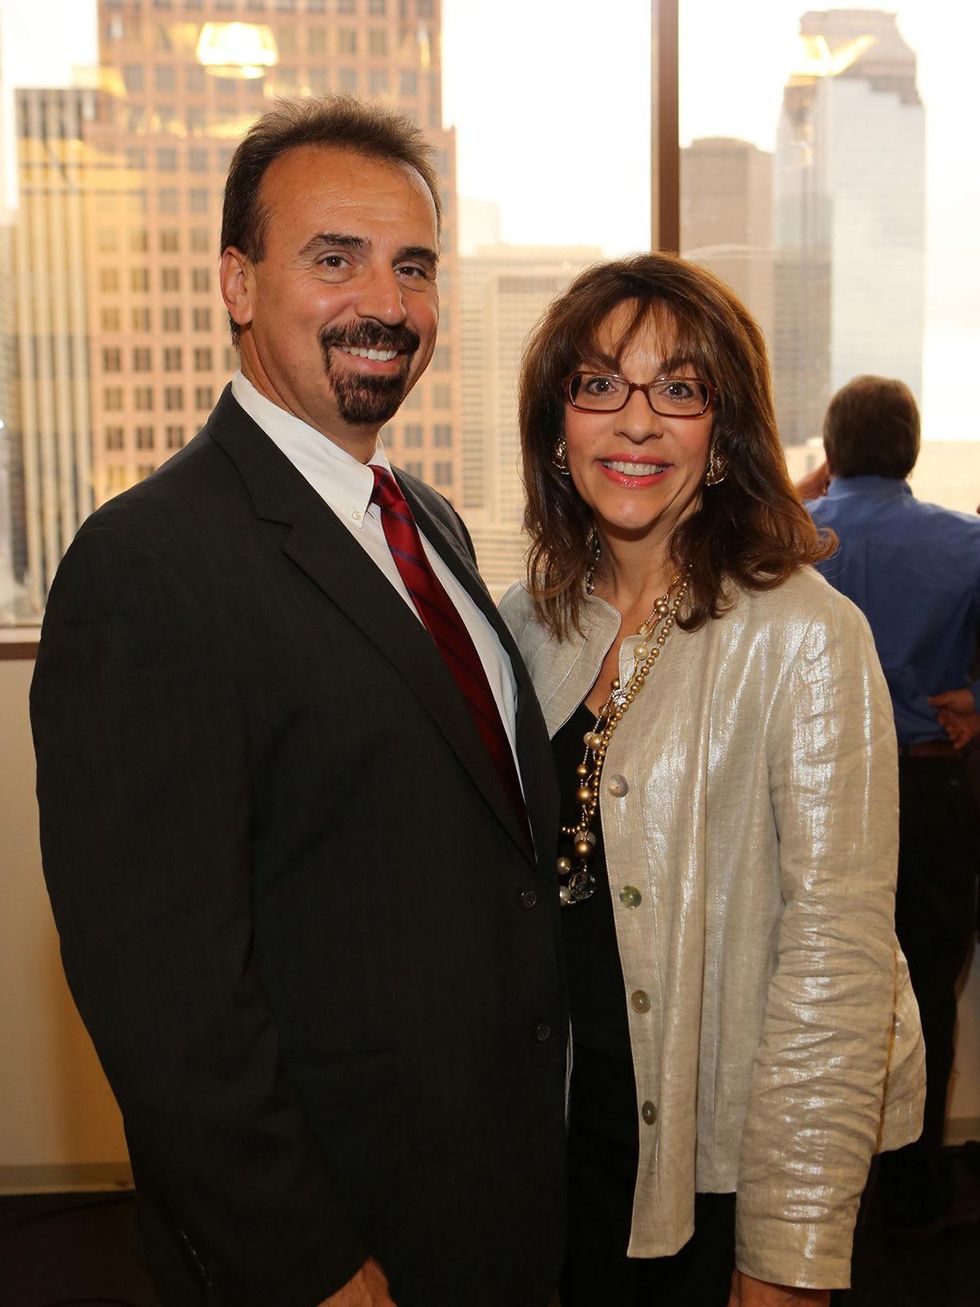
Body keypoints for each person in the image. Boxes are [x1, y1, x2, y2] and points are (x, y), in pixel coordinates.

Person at [31, 97, 566, 1307]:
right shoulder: (149, 564)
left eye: (412, 265)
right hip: (337, 1248)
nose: (384, 301)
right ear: (236, 280)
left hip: (495, 1209)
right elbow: (166, 992)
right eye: (335, 259)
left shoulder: (425, 521)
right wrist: (309, 1262)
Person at [500, 254, 924, 1307]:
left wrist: (786, 1253)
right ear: (558, 424)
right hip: (559, 1153)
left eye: (678, 390)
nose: (635, 421)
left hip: (725, 1171)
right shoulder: (523, 623)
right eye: (597, 383)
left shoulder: (806, 636)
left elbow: (835, 967)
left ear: (722, 435)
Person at [805, 374, 980, 1235]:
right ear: (911, 450)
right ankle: (912, 1193)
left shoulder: (785, 538)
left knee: (810, 982)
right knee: (928, 987)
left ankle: (812, 1184)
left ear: (829, 452)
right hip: (930, 784)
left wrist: (808, 487)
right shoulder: (968, 542)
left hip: (813, 790)